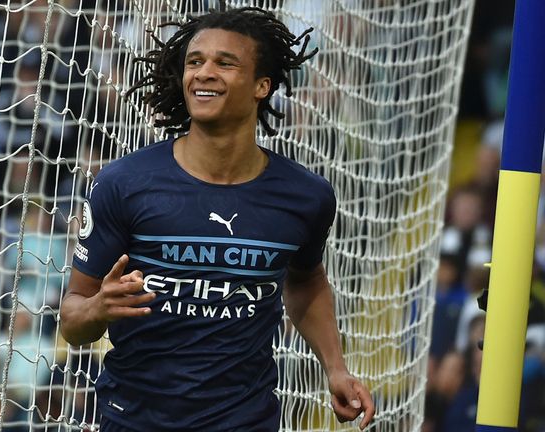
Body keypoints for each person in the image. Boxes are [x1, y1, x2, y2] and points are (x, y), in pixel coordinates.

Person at [61, 7, 375, 431]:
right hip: (135, 421)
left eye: (225, 63)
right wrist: (98, 309)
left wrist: (335, 367)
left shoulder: (306, 196)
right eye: (195, 62)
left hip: (245, 421)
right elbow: (72, 320)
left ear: (262, 85)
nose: (204, 72)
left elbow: (306, 281)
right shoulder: (123, 184)